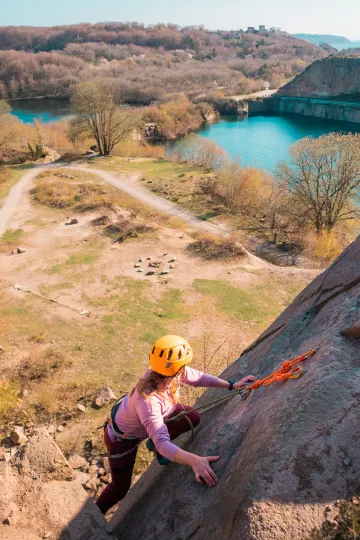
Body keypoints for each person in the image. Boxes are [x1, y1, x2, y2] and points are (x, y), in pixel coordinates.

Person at [96, 335, 255, 515]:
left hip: (156, 417)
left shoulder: (167, 373)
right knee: (120, 489)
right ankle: (93, 516)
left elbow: (199, 378)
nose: (185, 369)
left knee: (192, 416)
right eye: (183, 366)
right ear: (176, 368)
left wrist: (231, 386)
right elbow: (163, 444)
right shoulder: (148, 401)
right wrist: (194, 460)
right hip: (122, 440)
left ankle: (152, 444)